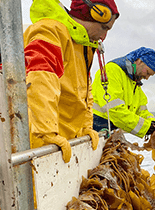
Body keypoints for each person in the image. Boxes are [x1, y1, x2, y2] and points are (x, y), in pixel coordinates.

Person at [23, 0, 119, 163]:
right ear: (91, 14)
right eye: (104, 28)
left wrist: (86, 128)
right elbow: (40, 80)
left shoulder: (83, 45)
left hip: (68, 144)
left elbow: (84, 91)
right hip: (44, 146)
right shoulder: (50, 31)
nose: (104, 36)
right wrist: (46, 134)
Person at [92, 47, 155, 138]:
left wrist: (152, 123)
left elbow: (141, 110)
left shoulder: (134, 84)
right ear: (139, 61)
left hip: (109, 131)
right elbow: (114, 110)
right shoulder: (112, 71)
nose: (147, 77)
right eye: (147, 72)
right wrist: (145, 127)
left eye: (150, 76)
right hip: (94, 127)